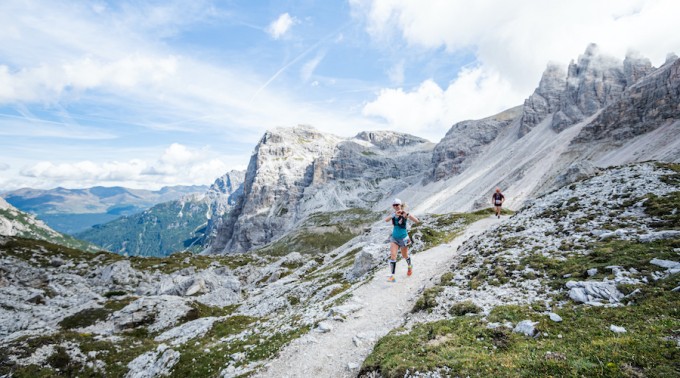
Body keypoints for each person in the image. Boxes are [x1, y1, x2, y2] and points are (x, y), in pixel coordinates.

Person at [384, 198, 419, 283]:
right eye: (394, 205)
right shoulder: (393, 214)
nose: (396, 206)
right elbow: (386, 220)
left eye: (397, 205)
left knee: (405, 255)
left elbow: (417, 221)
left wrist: (407, 214)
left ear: (400, 205)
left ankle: (410, 266)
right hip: (394, 238)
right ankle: (392, 276)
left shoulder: (405, 214)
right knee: (393, 255)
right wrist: (394, 215)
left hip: (404, 238)